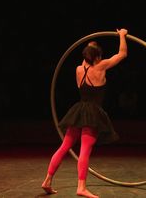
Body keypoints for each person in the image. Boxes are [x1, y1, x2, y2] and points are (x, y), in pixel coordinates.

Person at [41, 28, 128, 198]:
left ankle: (47, 180)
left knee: (64, 147)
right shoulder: (101, 67)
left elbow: (88, 55)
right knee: (85, 150)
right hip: (92, 114)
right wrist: (122, 36)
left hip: (79, 111)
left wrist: (91, 47)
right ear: (97, 57)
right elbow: (122, 54)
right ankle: (81, 187)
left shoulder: (79, 69)